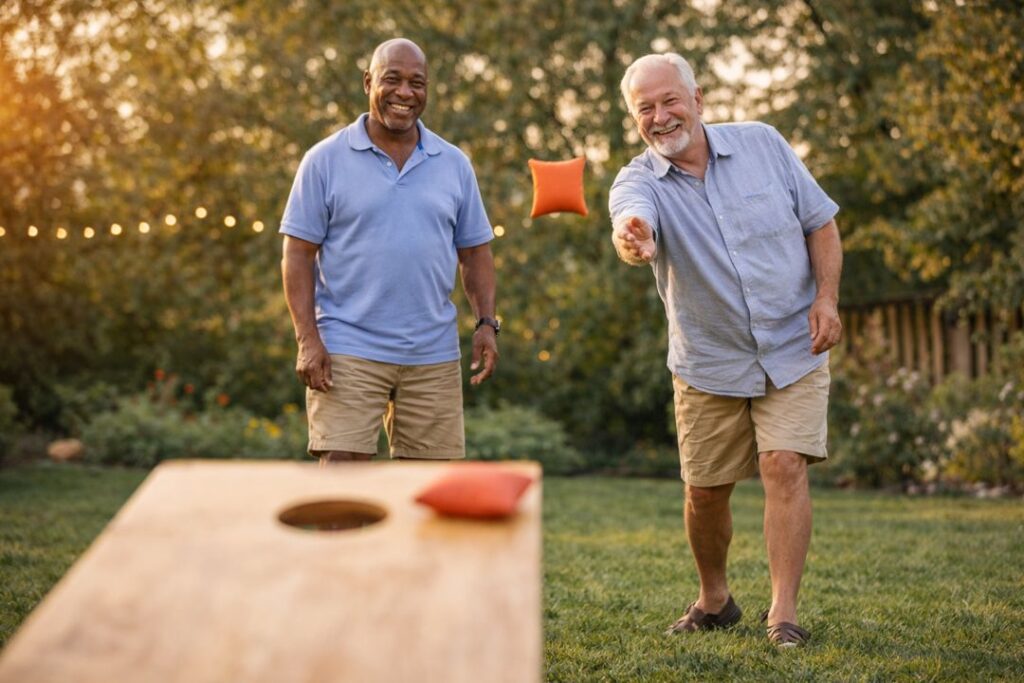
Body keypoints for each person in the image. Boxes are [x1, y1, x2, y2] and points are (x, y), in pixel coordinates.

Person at [609, 52, 842, 647]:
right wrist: (633, 236)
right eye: (645, 109)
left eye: (669, 101)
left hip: (793, 342)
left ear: (698, 98)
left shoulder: (763, 144)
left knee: (783, 464)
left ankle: (783, 614)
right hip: (709, 361)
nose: (660, 117)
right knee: (705, 492)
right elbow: (630, 219)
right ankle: (715, 599)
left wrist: (827, 300)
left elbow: (820, 223)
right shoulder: (638, 179)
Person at [280, 38, 499, 463]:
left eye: (417, 83)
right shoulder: (324, 160)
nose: (405, 93)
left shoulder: (453, 163)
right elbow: (297, 255)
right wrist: (307, 340)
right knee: (341, 487)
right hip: (347, 347)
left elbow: (475, 254)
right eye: (392, 79)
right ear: (368, 83)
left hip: (432, 352)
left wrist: (487, 323)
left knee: (428, 494)